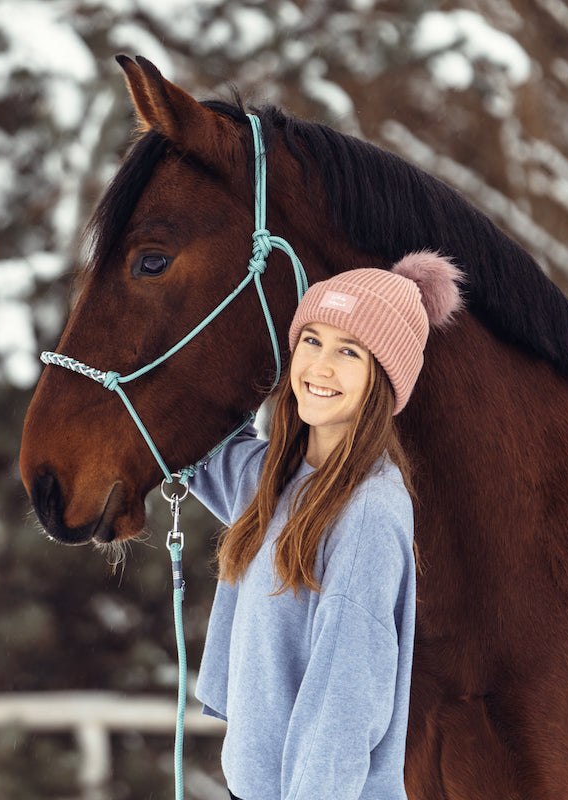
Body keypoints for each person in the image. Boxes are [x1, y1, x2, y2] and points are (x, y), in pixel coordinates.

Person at [189, 251, 463, 800]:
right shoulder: (272, 478)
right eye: (311, 340)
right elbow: (188, 439)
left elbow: (346, 699)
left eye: (349, 352)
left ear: (382, 378)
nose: (321, 366)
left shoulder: (368, 513)